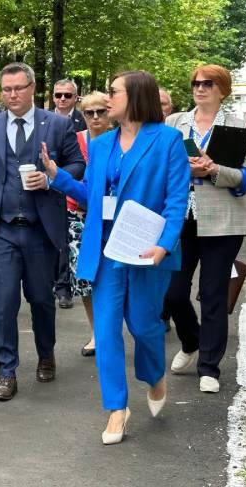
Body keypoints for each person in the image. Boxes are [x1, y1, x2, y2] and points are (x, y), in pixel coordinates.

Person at [42, 70, 189, 445]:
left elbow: (176, 200)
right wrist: (58, 176)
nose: (107, 99)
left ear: (136, 96)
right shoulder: (102, 143)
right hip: (105, 249)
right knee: (106, 331)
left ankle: (154, 375)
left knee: (143, 326)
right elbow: (92, 195)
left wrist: (165, 244)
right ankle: (116, 409)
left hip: (145, 251)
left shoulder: (168, 140)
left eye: (114, 92)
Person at [0, 62, 85, 402]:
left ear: (33, 88)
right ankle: (6, 371)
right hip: (1, 230)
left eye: (18, 88)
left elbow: (78, 165)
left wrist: (52, 177)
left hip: (40, 230)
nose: (12, 95)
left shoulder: (58, 124)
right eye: (6, 90)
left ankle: (46, 353)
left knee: (41, 300)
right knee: (4, 303)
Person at [164, 64, 246, 394]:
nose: (199, 88)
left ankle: (209, 367)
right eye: (196, 83)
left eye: (208, 83)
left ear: (222, 89)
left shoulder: (239, 126)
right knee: (172, 292)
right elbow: (161, 164)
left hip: (223, 221)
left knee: (213, 294)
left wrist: (214, 170)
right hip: (179, 218)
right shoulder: (175, 123)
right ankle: (192, 340)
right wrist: (183, 168)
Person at [66, 91, 112, 357]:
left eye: (101, 111)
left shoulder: (119, 140)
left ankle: (110, 330)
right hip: (77, 217)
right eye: (89, 112)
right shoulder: (75, 141)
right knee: (84, 279)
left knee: (110, 277)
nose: (95, 117)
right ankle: (96, 333)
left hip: (109, 219)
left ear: (110, 112)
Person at [51, 78, 86, 309]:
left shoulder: (85, 119)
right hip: (46, 186)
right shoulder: (44, 119)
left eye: (67, 95)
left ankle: (64, 287)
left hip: (73, 187)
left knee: (65, 239)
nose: (62, 99)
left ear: (75, 97)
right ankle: (50, 282)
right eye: (58, 95)